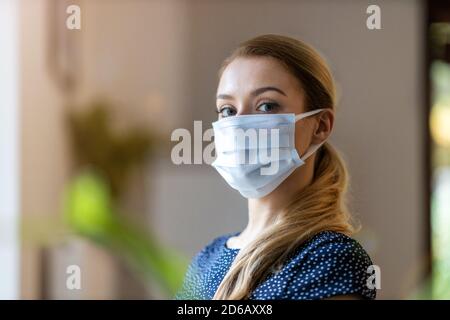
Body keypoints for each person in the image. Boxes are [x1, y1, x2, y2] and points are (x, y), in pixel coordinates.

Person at [175, 34, 376, 300]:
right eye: (227, 110)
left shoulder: (331, 258)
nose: (239, 125)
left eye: (266, 105)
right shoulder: (207, 258)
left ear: (320, 126)